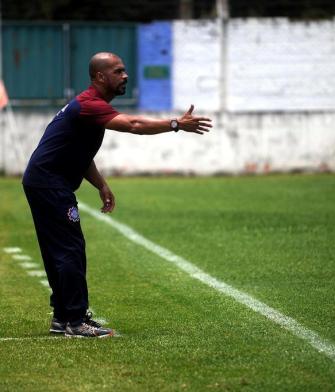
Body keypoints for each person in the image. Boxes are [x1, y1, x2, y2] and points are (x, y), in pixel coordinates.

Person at [22, 52, 212, 338]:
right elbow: (133, 125)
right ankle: (75, 320)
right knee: (70, 250)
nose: (125, 76)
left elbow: (78, 153)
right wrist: (175, 124)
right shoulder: (89, 104)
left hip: (43, 181)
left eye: (124, 71)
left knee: (59, 251)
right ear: (100, 77)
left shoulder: (90, 106)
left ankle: (63, 318)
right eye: (118, 71)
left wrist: (100, 184)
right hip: (49, 183)